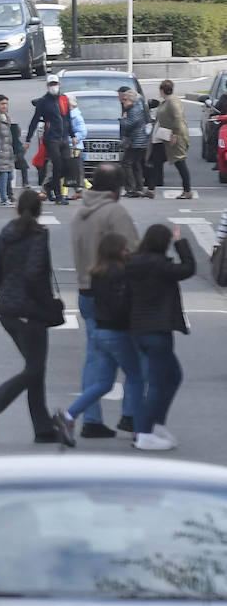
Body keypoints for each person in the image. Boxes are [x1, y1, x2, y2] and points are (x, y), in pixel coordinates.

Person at [0, 191, 74, 447]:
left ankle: (42, 428)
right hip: (31, 313)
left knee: (35, 368)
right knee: (34, 369)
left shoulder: (7, 233)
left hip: (7, 311)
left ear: (17, 209)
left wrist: (8, 293)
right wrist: (47, 305)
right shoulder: (39, 236)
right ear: (40, 210)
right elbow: (35, 276)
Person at [68, 163, 140, 437]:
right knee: (133, 358)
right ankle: (132, 415)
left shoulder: (80, 212)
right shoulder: (114, 212)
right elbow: (134, 250)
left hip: (85, 289)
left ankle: (92, 419)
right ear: (116, 188)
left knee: (94, 356)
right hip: (114, 292)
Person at [54, 233, 146, 445]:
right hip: (118, 331)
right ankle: (140, 430)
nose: (127, 251)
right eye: (124, 248)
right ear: (118, 250)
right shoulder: (120, 274)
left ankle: (68, 415)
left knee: (103, 383)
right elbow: (121, 305)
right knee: (136, 376)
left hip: (100, 331)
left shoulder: (97, 272)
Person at [126, 223, 194, 450]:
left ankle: (155, 424)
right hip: (157, 329)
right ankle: (145, 431)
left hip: (138, 328)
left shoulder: (133, 263)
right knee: (159, 381)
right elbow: (189, 268)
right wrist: (180, 243)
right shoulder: (160, 266)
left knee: (173, 375)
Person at [26, 74, 74, 205]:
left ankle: (49, 186)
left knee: (68, 165)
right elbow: (35, 120)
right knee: (57, 165)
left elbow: (67, 119)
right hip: (51, 138)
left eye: (55, 84)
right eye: (51, 85)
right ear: (47, 86)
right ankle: (59, 196)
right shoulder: (43, 101)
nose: (54, 87)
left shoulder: (64, 99)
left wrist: (73, 135)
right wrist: (28, 138)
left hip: (64, 137)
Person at [147, 79, 192, 199]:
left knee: (180, 162)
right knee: (155, 161)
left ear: (162, 91)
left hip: (173, 139)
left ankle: (187, 191)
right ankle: (151, 189)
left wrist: (175, 134)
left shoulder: (172, 102)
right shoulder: (167, 102)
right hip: (163, 138)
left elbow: (178, 118)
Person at [118, 86, 151, 198]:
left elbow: (130, 124)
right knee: (136, 164)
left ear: (131, 100)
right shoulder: (135, 108)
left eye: (125, 100)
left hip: (135, 141)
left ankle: (131, 188)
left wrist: (122, 120)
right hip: (138, 141)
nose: (123, 102)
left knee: (126, 164)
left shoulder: (134, 109)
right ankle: (139, 187)